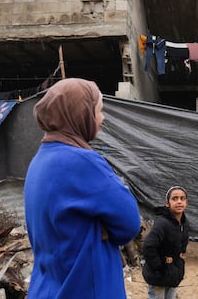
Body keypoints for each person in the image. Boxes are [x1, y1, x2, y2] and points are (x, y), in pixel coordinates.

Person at [24, 78, 141, 299]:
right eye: (99, 110)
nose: (102, 118)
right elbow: (129, 223)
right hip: (84, 286)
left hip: (50, 286)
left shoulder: (39, 162)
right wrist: (100, 228)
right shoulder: (82, 161)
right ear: (80, 114)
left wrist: (94, 227)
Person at [141, 186, 190, 299]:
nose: (179, 202)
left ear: (187, 202)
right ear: (167, 203)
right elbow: (148, 247)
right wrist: (159, 266)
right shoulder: (162, 223)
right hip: (159, 275)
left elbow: (182, 247)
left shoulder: (184, 224)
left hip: (173, 274)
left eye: (182, 199)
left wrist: (179, 265)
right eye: (175, 198)